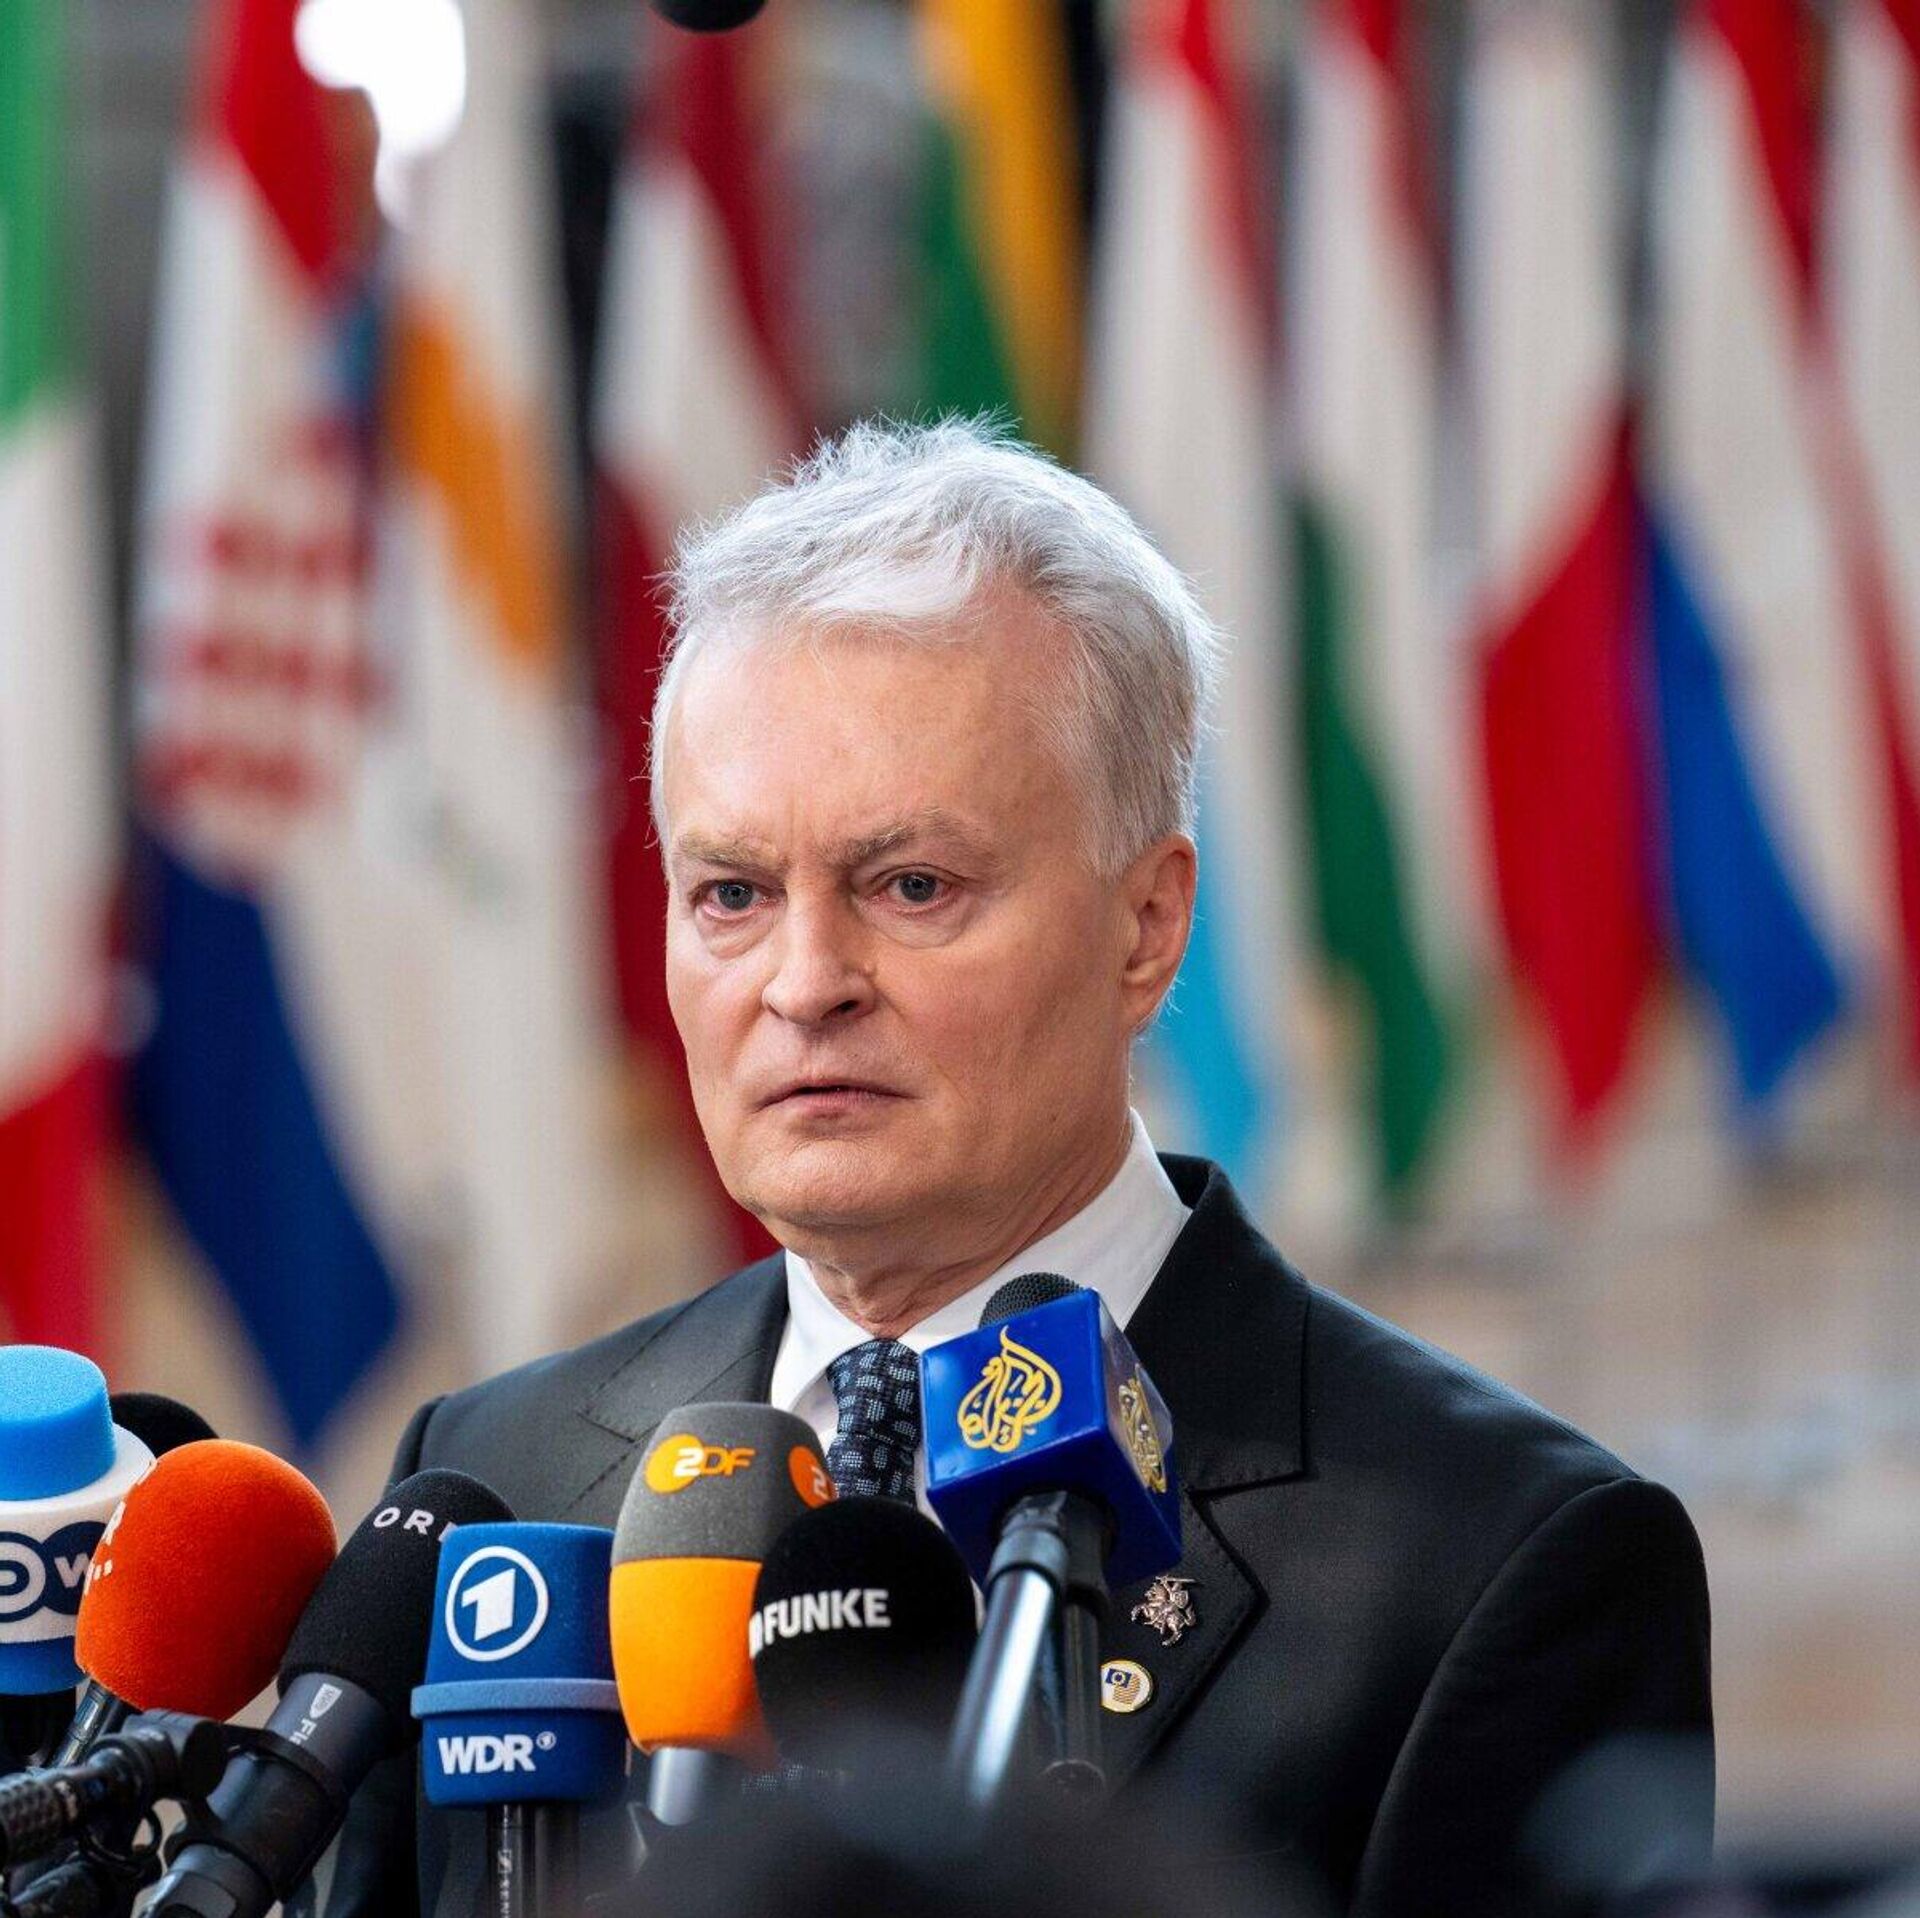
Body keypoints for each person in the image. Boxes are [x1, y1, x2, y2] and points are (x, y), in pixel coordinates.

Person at [327, 419, 1712, 1916]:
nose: (805, 982)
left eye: (912, 886)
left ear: (1147, 926)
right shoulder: (502, 1481)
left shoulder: (1495, 1555)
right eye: (730, 893)